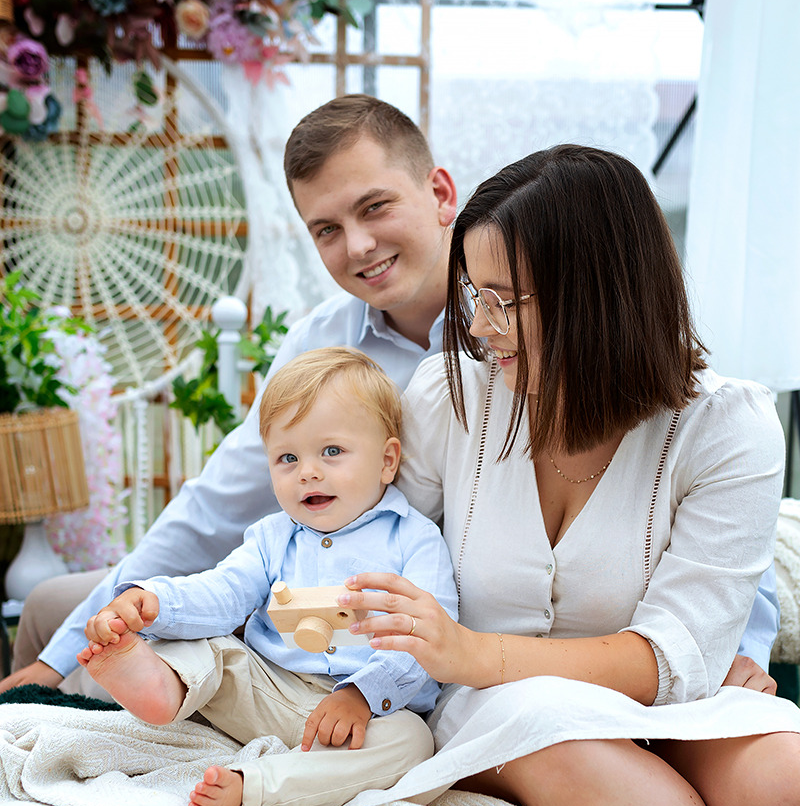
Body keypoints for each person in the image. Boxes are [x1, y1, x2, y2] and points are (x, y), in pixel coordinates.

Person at [0, 96, 777, 698]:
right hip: (349, 604)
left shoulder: (559, 320)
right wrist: (62, 655)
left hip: (452, 634)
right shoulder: (324, 349)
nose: (359, 246)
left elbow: (688, 511)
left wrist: (740, 649)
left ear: (440, 192)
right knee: (54, 608)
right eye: (326, 229)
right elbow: (215, 506)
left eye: (374, 208)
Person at [335, 144, 800, 806]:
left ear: (603, 293)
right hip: (502, 714)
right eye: (474, 295)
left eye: (506, 300)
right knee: (560, 730)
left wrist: (472, 649)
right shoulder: (449, 398)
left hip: (673, 703)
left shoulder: (728, 428)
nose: (482, 327)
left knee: (781, 775)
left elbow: (674, 657)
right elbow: (371, 551)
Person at [76, 348, 457, 806]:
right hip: (267, 690)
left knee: (412, 742)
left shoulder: (415, 539)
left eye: (332, 451)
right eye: (287, 458)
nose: (308, 471)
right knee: (212, 645)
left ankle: (254, 786)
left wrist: (362, 693)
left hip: (364, 717)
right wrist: (155, 602)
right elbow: (223, 591)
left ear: (387, 460)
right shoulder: (272, 537)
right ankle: (163, 684)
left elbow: (428, 635)